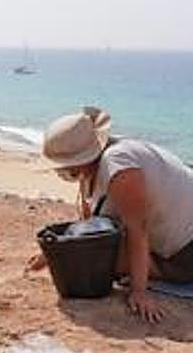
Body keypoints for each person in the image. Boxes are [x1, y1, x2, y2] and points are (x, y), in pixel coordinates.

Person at [35, 107, 193, 324]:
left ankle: (164, 272)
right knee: (82, 254)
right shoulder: (93, 165)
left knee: (94, 260)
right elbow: (90, 222)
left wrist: (139, 291)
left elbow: (138, 228)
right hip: (169, 243)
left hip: (186, 251)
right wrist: (57, 251)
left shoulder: (119, 165)